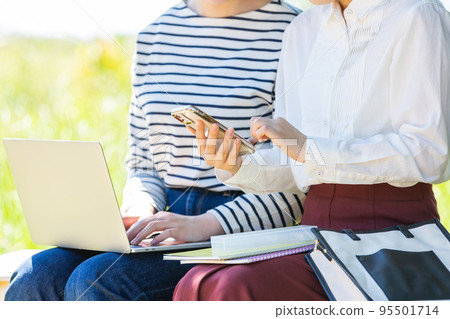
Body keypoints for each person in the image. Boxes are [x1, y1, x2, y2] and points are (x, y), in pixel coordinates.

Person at [5, 0, 304, 301]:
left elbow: (296, 184)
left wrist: (202, 226)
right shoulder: (155, 34)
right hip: (165, 220)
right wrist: (140, 210)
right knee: (36, 275)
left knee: (96, 281)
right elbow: (144, 163)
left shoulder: (296, 32)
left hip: (240, 226)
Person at [174, 0, 450, 300]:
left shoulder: (418, 13)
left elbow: (429, 152)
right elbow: (296, 160)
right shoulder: (301, 29)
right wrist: (235, 164)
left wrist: (310, 150)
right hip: (314, 234)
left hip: (392, 236)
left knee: (233, 287)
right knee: (199, 281)